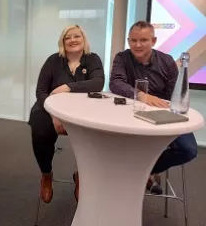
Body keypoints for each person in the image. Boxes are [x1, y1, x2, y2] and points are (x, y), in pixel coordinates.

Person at [109, 20, 198, 194]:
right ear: (128, 41)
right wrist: (142, 95)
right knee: (112, 140)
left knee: (188, 150)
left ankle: (143, 170)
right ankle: (134, 173)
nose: (138, 45)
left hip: (162, 115)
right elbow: (115, 83)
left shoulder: (167, 62)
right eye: (133, 40)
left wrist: (157, 104)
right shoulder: (122, 58)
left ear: (154, 41)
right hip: (130, 114)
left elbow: (175, 96)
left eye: (143, 40)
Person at [29, 25, 105, 204]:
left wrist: (67, 87)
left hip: (82, 111)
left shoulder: (92, 59)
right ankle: (46, 174)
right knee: (40, 130)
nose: (72, 40)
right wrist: (55, 115)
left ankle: (82, 174)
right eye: (67, 37)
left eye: (76, 36)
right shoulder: (53, 61)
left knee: (93, 134)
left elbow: (98, 83)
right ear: (62, 42)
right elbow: (41, 91)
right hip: (49, 108)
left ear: (83, 39)